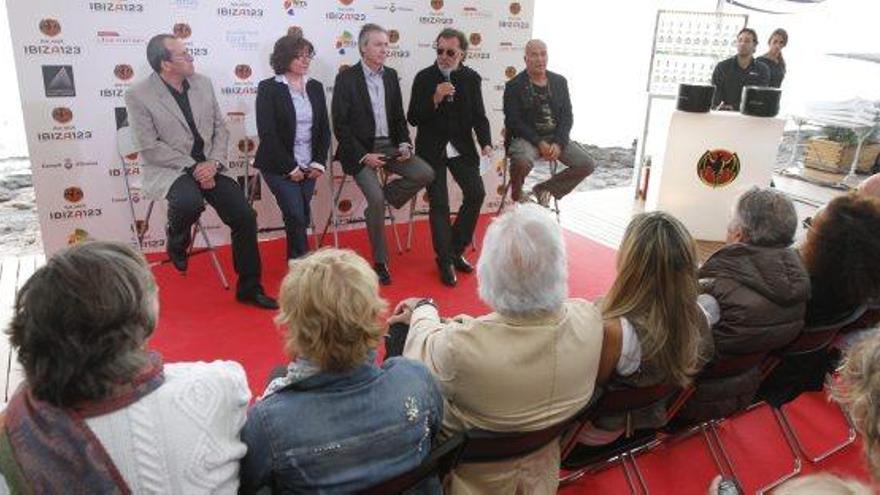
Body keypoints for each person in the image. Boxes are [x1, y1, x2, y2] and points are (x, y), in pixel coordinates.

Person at [390, 203, 615, 494]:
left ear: (490, 269)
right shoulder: (589, 320)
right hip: (542, 475)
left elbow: (419, 345)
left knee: (400, 334)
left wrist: (424, 308)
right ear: (559, 265)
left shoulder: (459, 348)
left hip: (468, 483)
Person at [0, 241, 250, 493]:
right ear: (141, 319)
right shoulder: (220, 384)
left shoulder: (15, 427)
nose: (159, 289)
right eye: (151, 290)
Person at [238, 248, 443, 493]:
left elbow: (246, 484)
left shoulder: (268, 423)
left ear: (294, 324)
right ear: (372, 313)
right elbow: (435, 437)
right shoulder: (415, 380)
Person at [126, 34, 276, 309]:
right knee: (188, 201)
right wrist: (194, 167)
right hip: (170, 167)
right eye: (184, 55)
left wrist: (214, 163)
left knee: (244, 216)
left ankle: (249, 288)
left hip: (211, 165)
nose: (191, 58)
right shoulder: (138, 95)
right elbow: (149, 147)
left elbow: (221, 128)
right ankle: (177, 235)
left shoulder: (202, 84)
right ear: (165, 64)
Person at [564, 212, 715, 464]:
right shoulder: (698, 316)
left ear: (629, 261)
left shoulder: (615, 330)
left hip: (595, 437)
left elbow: (585, 395)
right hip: (648, 425)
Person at [682, 187, 809, 420]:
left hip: (690, 400)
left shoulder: (714, 293)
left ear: (738, 233)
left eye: (731, 220)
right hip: (746, 389)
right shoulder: (799, 281)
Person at [331, 23, 435, 286]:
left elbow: (399, 117)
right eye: (378, 44)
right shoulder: (346, 78)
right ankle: (380, 261)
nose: (384, 50)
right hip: (359, 150)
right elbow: (340, 126)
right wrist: (364, 157)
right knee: (375, 199)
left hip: (389, 146)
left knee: (425, 172)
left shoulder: (390, 76)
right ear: (363, 47)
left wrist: (404, 143)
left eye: (386, 45)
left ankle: (380, 204)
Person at [408, 28, 492, 287]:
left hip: (460, 148)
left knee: (476, 193)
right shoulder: (424, 78)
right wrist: (435, 97)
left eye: (450, 52)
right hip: (431, 149)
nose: (443, 56)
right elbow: (413, 117)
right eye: (439, 51)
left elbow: (479, 115)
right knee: (440, 204)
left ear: (462, 54)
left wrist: (486, 143)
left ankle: (455, 250)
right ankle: (444, 260)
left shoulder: (471, 78)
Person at [255, 28, 330, 260]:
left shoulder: (315, 86)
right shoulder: (269, 88)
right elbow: (268, 134)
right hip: (278, 165)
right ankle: (304, 265)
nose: (305, 60)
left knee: (300, 215)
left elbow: (324, 129)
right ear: (283, 58)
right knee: (296, 215)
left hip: (309, 165)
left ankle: (296, 263)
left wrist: (318, 162)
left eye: (308, 55)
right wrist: (290, 168)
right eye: (300, 55)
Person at [503, 39, 596, 206]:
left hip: (556, 138)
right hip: (527, 139)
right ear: (525, 59)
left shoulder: (560, 82)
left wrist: (559, 143)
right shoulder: (514, 86)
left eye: (543, 54)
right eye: (534, 55)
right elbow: (513, 122)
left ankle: (545, 189)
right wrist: (539, 143)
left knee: (587, 164)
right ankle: (517, 193)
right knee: (522, 160)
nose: (540, 59)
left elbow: (567, 117)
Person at [711, 28, 771, 111]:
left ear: (754, 45)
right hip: (724, 114)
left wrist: (735, 107)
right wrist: (720, 107)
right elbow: (715, 93)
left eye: (747, 41)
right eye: (740, 40)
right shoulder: (722, 66)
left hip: (750, 115)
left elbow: (760, 97)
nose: (742, 44)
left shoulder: (762, 70)